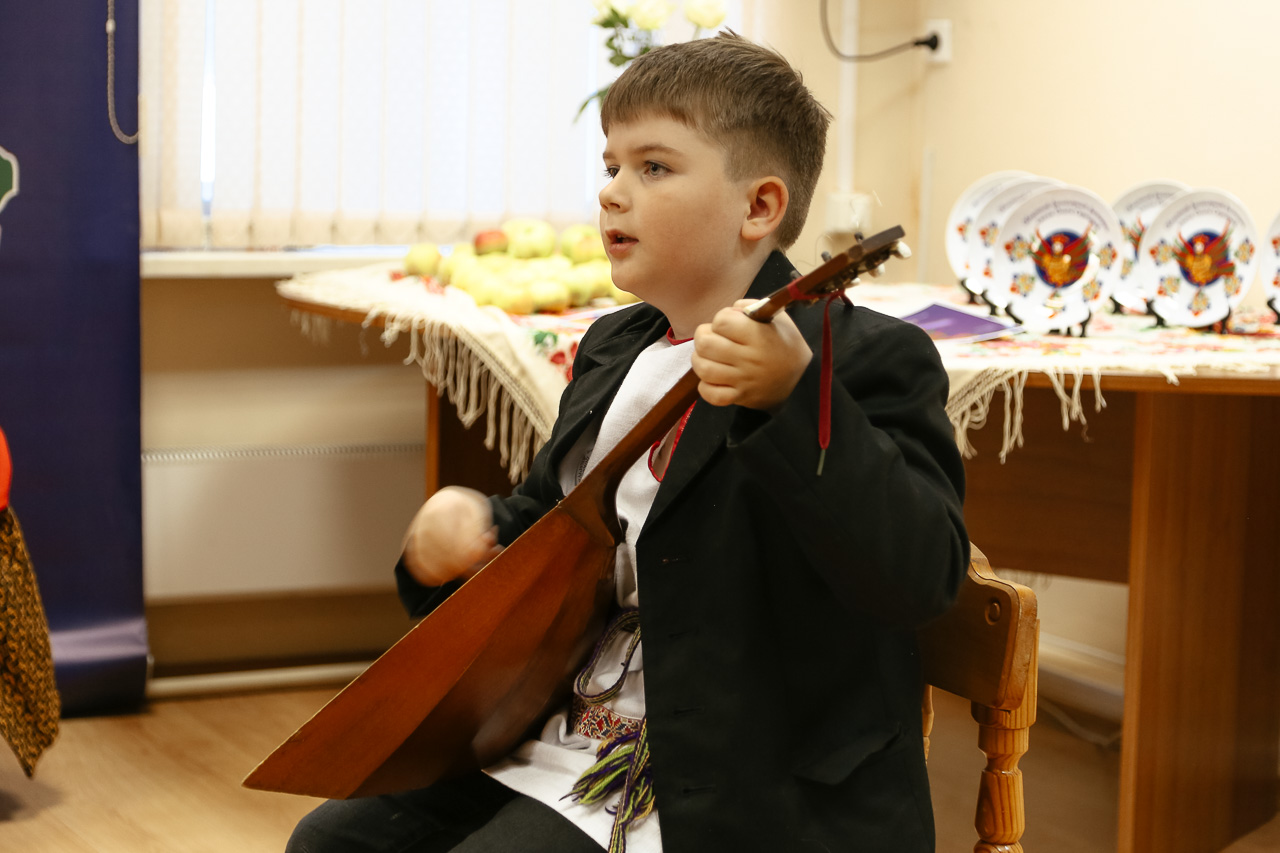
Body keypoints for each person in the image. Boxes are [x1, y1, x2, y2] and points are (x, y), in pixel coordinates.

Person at [287, 31, 967, 853]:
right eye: (611, 165)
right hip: (565, 730)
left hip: (737, 777)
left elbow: (920, 574)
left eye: (654, 167)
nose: (612, 192)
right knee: (329, 842)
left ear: (759, 207)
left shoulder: (862, 360)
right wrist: (470, 533)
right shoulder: (615, 347)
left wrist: (790, 402)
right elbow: (561, 529)